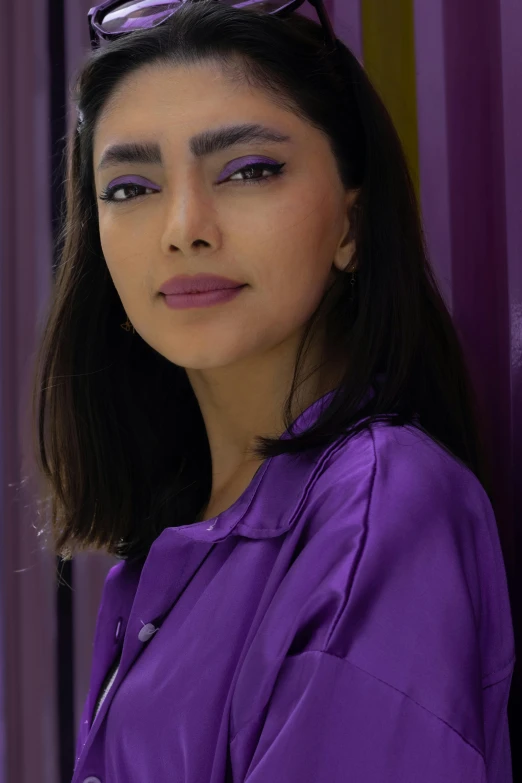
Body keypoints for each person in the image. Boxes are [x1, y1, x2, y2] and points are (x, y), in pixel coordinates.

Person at [30, 1, 515, 781]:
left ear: (352, 226)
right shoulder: (174, 538)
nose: (184, 226)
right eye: (129, 187)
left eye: (248, 170)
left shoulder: (377, 506)